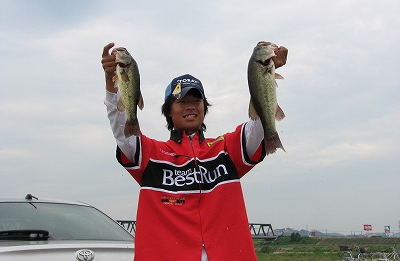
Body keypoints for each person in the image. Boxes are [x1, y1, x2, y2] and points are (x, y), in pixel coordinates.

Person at [101, 42, 288, 261]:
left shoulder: (227, 148)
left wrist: (264, 75)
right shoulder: (150, 153)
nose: (190, 106)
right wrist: (112, 85)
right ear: (169, 111)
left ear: (204, 108)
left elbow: (259, 124)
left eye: (196, 100)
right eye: (182, 101)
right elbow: (122, 129)